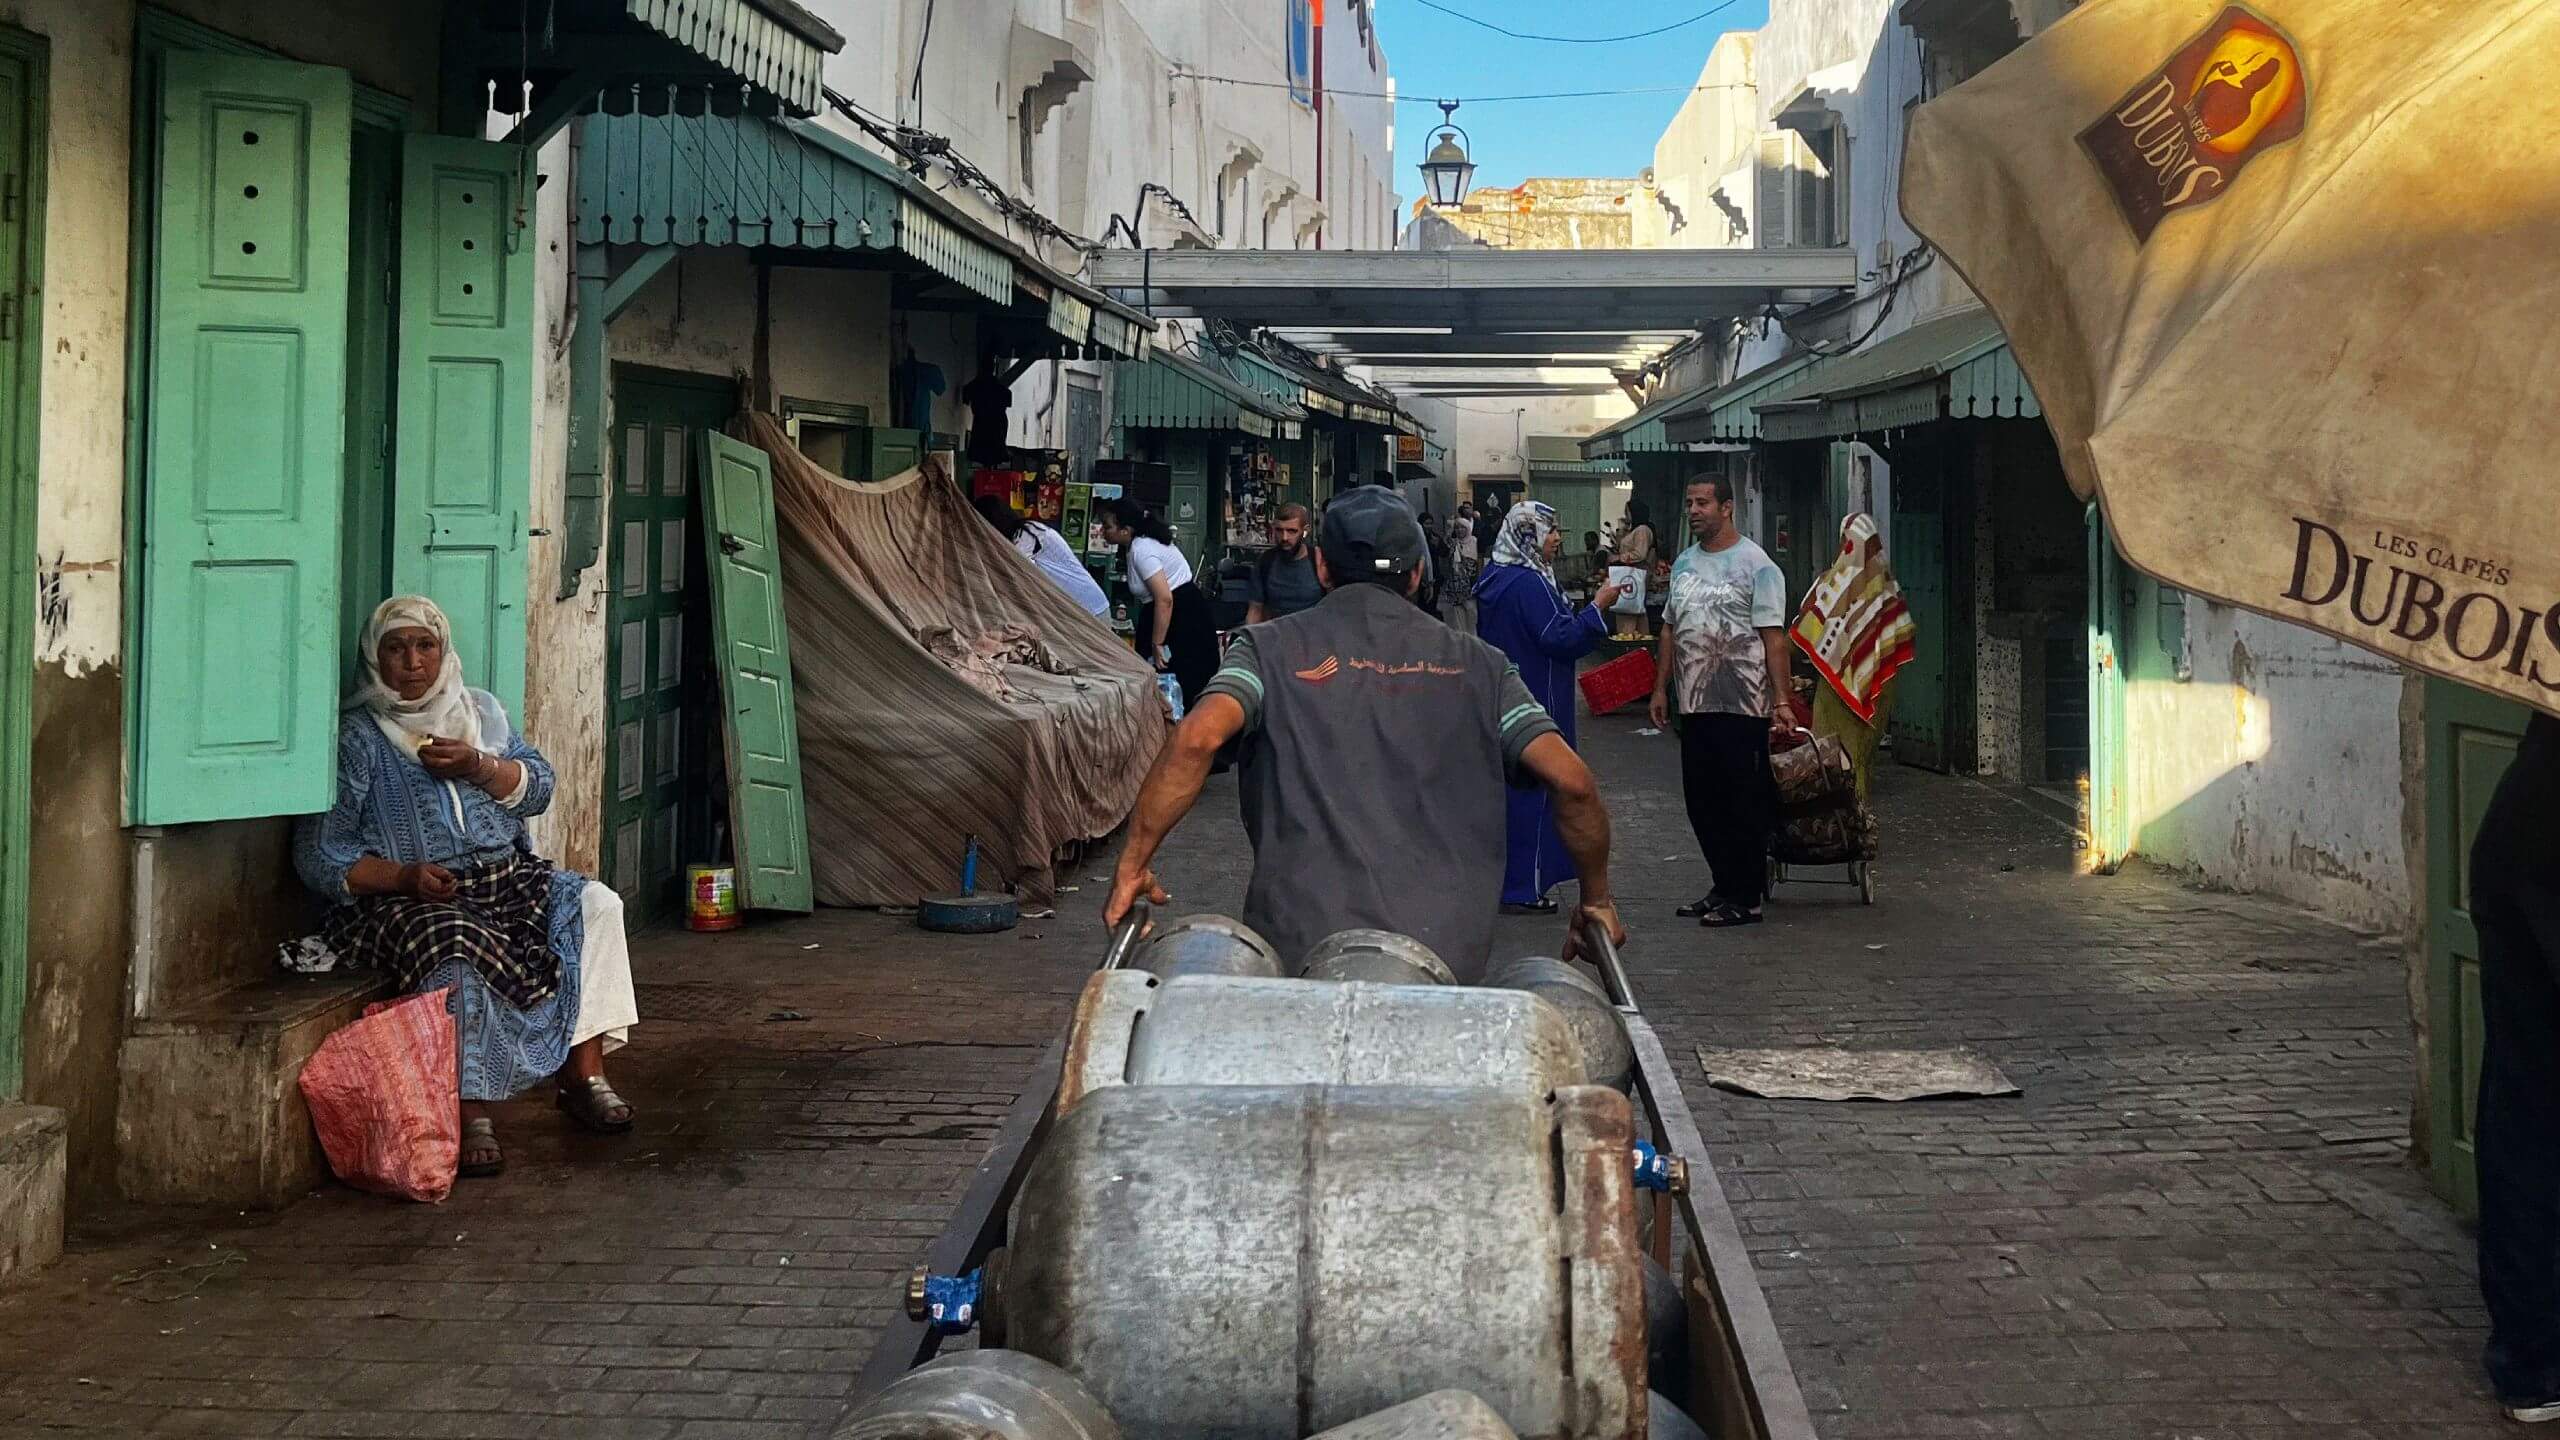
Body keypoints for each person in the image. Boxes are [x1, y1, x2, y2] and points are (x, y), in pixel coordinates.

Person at [1104, 486, 1626, 980]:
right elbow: (1573, 782)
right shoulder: (1483, 667)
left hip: (1301, 949)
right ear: (1417, 574)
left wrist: (1132, 865)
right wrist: (1596, 900)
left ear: (1321, 566)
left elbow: (1196, 739)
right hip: (1444, 959)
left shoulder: (1264, 651)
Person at [294, 597, 638, 1179]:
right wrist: (403, 875)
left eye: (425, 646)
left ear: (443, 651)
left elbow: (538, 788)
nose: (413, 662)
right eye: (396, 649)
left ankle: (585, 1076)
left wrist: (479, 766)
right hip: (413, 897)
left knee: (596, 905)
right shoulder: (357, 738)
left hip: (506, 880)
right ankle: (468, 1105)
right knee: (452, 944)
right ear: (374, 658)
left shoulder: (479, 712)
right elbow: (319, 852)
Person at [1647, 475, 1798, 928]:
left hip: (1743, 706)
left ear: (1727, 508)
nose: (1693, 511)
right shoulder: (1684, 564)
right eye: (1689, 503)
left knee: (1742, 802)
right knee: (1702, 802)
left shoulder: (1759, 566)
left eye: (1702, 503)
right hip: (1694, 704)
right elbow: (1669, 628)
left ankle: (1747, 897)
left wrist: (1782, 701)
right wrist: (1660, 688)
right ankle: (1723, 884)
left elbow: (1774, 639)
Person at [2469, 711, 2560, 1424]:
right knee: (2528, 1106)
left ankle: (2532, 1361)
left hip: (2528, 822)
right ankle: (2533, 1358)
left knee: (2526, 1106)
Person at [1474, 501, 1627, 915]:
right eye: (1550, 530)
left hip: (1504, 694)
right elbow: (1560, 637)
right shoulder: (1529, 583)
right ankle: (1525, 887)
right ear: (1529, 535)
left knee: (1512, 791)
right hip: (1538, 696)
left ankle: (1509, 882)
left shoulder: (1494, 575)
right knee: (1540, 792)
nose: (1557, 538)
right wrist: (1598, 606)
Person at [1790, 513, 1914, 801]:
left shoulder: (1832, 583)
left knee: (1833, 753)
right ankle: (1859, 809)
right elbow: (1899, 637)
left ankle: (1838, 817)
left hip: (1838, 688)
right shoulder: (1889, 590)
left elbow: (1807, 627)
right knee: (1863, 752)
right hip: (1878, 685)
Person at [1097, 497, 1219, 708]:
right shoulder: (1138, 544)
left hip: (1182, 618)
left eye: (1107, 527)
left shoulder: (1142, 549)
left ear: (1125, 530)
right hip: (1169, 611)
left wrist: (1157, 643)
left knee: (1175, 678)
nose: (1102, 531)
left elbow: (1164, 598)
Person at [975, 495, 1109, 618]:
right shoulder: (1026, 533)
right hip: (1081, 609)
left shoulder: (1027, 536)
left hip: (1089, 610)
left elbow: (1018, 578)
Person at [1245, 503, 1321, 623]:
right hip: (1276, 632)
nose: (1284, 537)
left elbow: (1334, 606)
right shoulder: (1266, 561)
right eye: (1279, 530)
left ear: (1305, 531)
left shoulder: (1318, 560)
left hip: (1313, 632)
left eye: (1292, 531)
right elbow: (1255, 609)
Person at [1609, 501, 1658, 639]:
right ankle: (1640, 639)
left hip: (1633, 575)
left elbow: (1640, 553)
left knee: (1627, 608)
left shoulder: (1642, 530)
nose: (1626, 515)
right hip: (1633, 575)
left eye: (1628, 512)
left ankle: (1627, 638)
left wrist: (1620, 558)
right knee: (1638, 610)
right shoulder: (1634, 530)